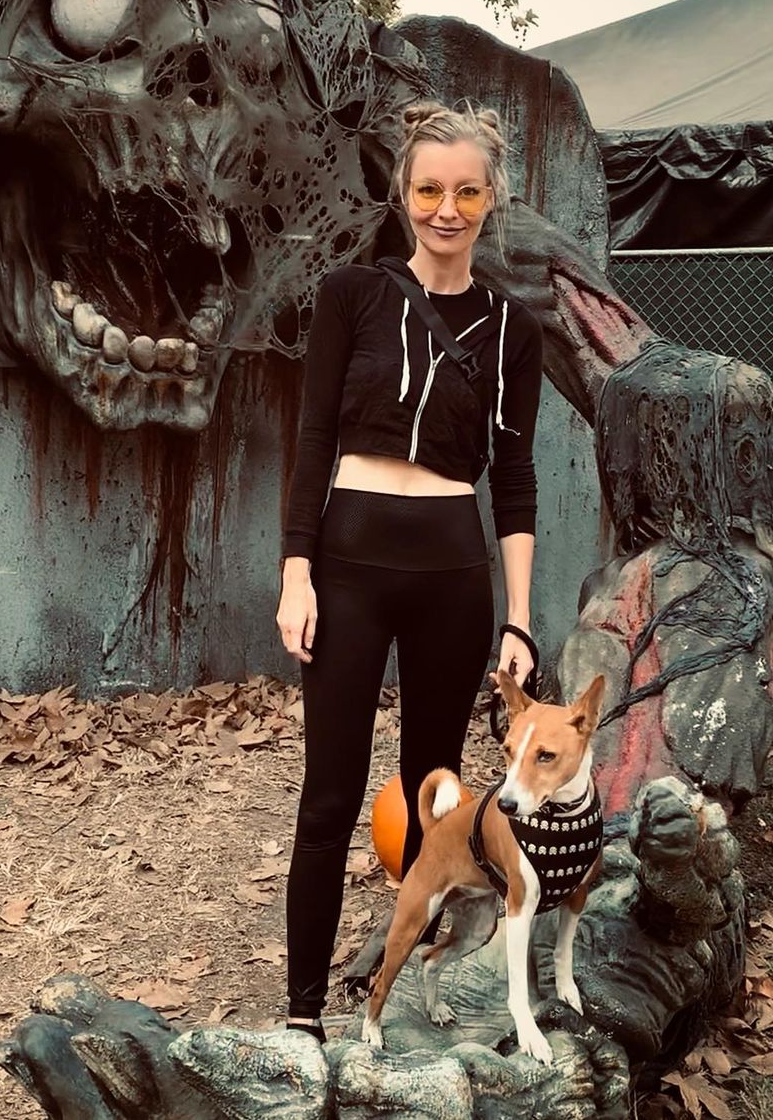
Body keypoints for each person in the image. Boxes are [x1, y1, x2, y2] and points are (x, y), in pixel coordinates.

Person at [277, 100, 543, 1041]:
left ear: (491, 198)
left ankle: (403, 996)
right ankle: (304, 1015)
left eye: (466, 192)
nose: (446, 209)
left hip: (451, 580)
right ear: (403, 194)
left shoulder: (514, 328)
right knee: (330, 795)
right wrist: (297, 572)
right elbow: (313, 440)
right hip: (347, 568)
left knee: (435, 801)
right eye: (430, 190)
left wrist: (518, 617)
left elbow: (514, 479)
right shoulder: (352, 294)